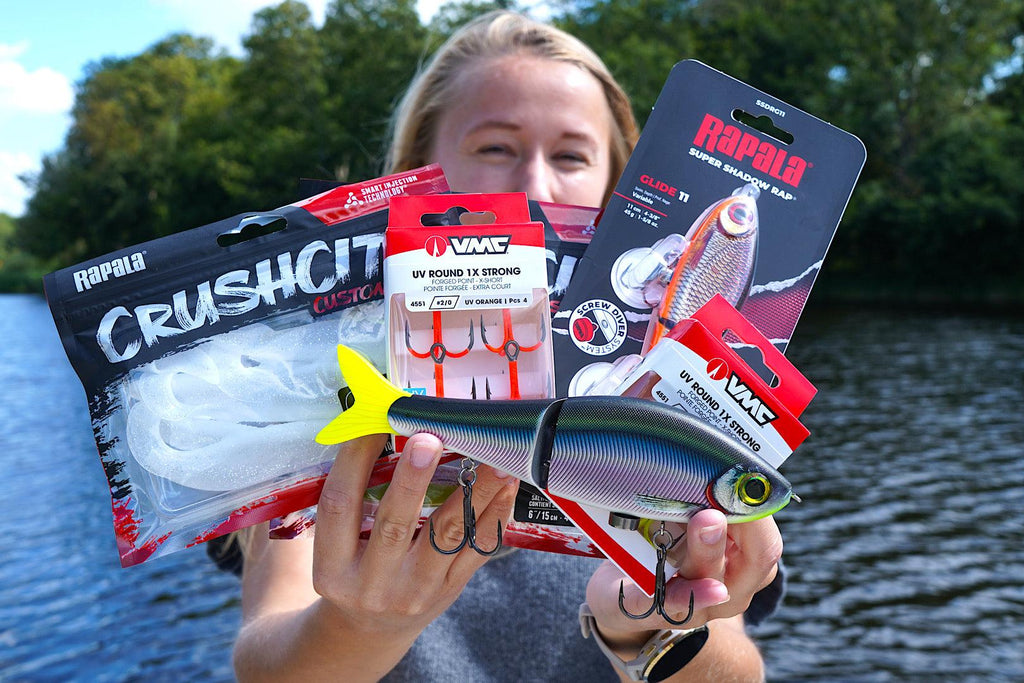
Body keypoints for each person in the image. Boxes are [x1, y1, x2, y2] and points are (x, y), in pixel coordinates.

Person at [230, 11, 784, 682]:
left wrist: (644, 628)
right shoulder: (323, 381)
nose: (534, 185)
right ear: (414, 175)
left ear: (622, 190)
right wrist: (360, 627)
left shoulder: (688, 411)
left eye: (572, 156)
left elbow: (740, 674)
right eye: (496, 147)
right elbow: (266, 664)